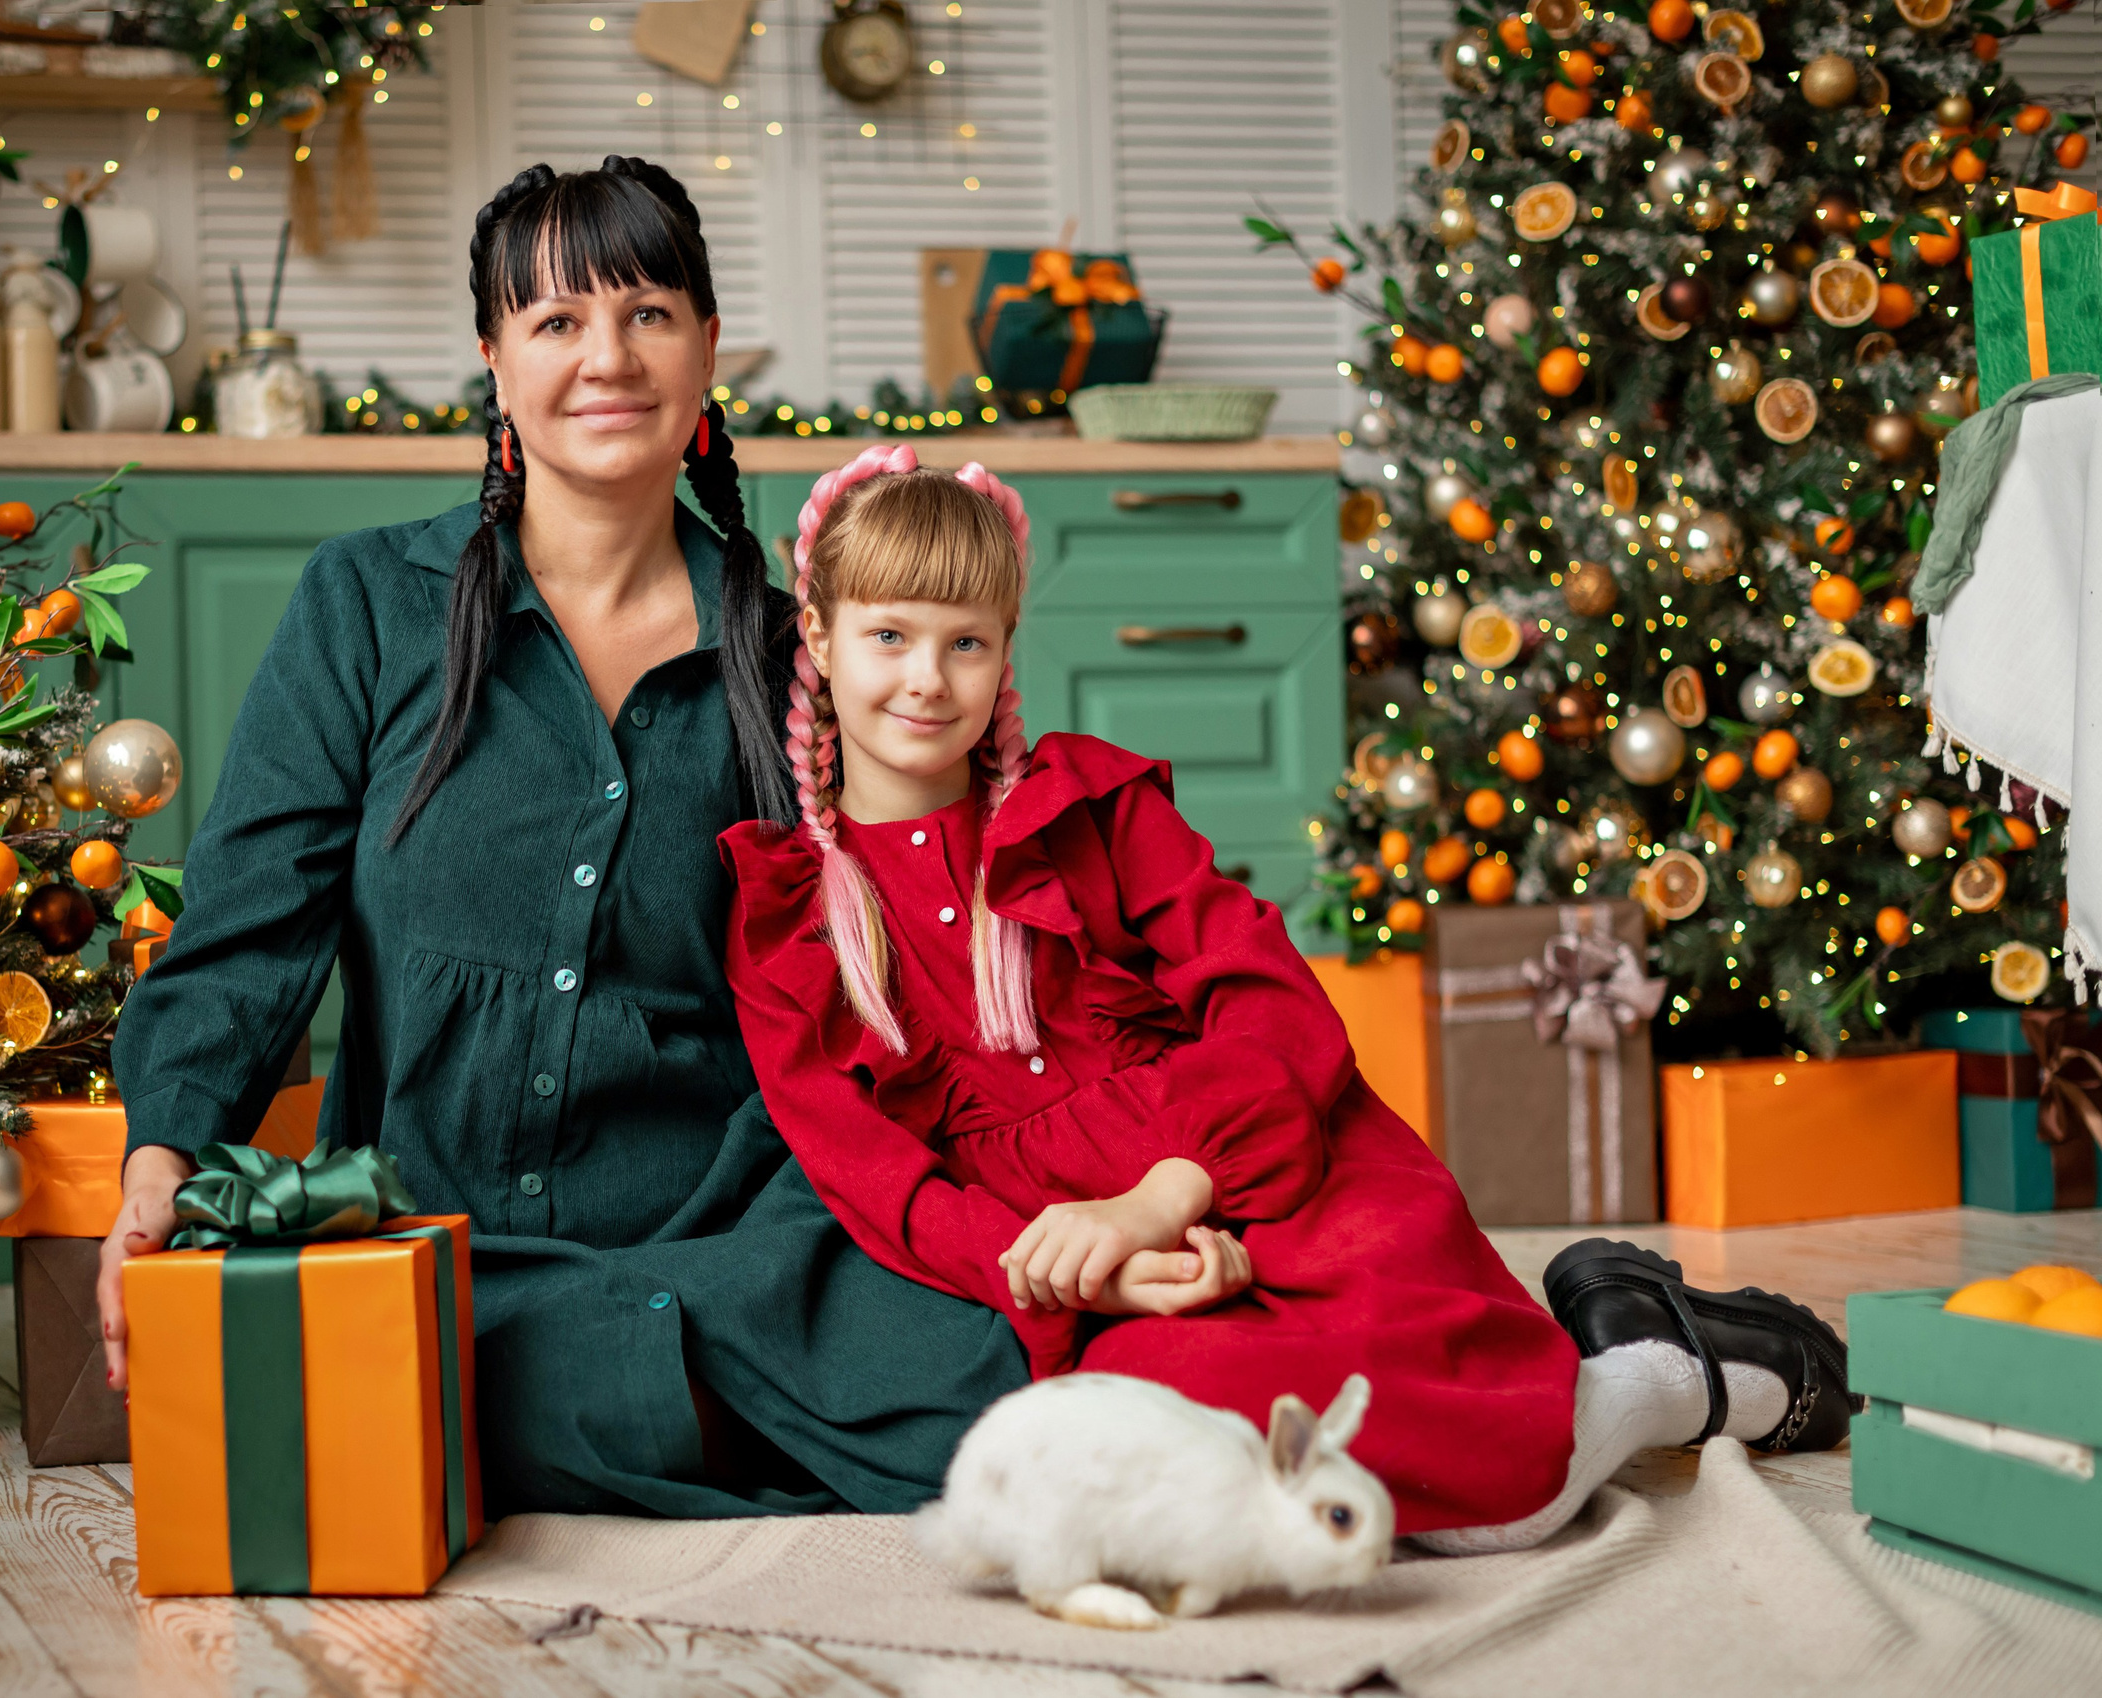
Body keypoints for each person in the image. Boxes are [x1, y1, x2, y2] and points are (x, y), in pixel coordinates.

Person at [96, 161, 1029, 1518]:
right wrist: (161, 1164)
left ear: (709, 346)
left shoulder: (801, 649)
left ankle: (636, 1399)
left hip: (742, 1240)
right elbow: (248, 932)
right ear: (494, 360)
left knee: (1007, 1376)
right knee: (409, 1376)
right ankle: (661, 1409)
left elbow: (899, 975)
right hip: (435, 1239)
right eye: (556, 322)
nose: (610, 358)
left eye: (651, 313)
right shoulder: (365, 603)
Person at [719, 445, 1856, 1544]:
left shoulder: (1091, 809)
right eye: (888, 636)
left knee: (1511, 1482)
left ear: (1005, 648)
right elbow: (879, 1186)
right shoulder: (787, 924)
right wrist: (1096, 1267)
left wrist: (1166, 1195)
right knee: (1218, 1458)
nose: (926, 679)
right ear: (816, 634)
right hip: (1093, 1272)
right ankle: (1626, 1343)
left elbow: (1276, 1004)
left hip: (1276, 1160)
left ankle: (1674, 1377)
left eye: (964, 642)